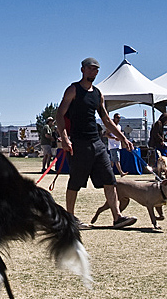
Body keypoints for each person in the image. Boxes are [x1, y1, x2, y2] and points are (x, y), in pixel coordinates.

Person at [55, 57, 137, 230]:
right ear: (82, 69)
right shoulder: (73, 89)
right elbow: (60, 114)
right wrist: (65, 138)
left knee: (110, 179)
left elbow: (106, 119)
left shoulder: (98, 94)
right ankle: (70, 219)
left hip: (97, 142)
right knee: (75, 181)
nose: (93, 72)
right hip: (79, 143)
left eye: (96, 70)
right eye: (90, 69)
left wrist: (123, 138)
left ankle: (117, 217)